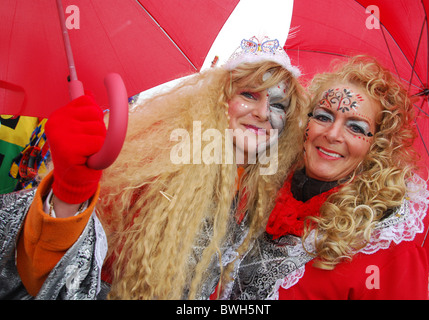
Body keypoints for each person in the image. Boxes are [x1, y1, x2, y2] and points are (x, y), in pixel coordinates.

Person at [0, 37, 309, 300]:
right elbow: (43, 274)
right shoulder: (159, 163)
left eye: (278, 105)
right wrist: (70, 192)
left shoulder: (262, 184)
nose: (263, 113)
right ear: (218, 100)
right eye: (249, 95)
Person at [215, 56, 429, 300]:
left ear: (377, 146)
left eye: (356, 128)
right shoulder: (262, 191)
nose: (332, 134)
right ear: (306, 122)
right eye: (323, 117)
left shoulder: (389, 247)